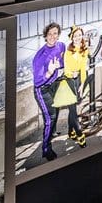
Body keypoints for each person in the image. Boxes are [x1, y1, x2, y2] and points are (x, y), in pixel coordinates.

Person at [32, 23, 69, 161]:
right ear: (45, 36)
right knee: (50, 117)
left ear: (58, 35)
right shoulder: (40, 56)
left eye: (55, 33)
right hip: (42, 89)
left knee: (55, 110)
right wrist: (49, 72)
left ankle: (52, 132)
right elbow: (37, 81)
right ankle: (46, 148)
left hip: (54, 85)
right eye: (50, 34)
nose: (52, 36)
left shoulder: (61, 46)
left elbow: (63, 62)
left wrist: (61, 65)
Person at [61, 26, 91, 148]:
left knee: (73, 108)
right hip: (68, 80)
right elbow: (66, 68)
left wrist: (82, 84)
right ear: (72, 37)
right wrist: (71, 74)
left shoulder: (84, 50)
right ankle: (79, 133)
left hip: (78, 80)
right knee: (73, 109)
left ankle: (70, 132)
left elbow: (83, 68)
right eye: (75, 35)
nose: (78, 37)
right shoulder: (68, 51)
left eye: (79, 35)